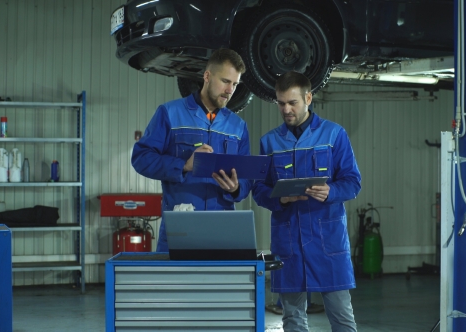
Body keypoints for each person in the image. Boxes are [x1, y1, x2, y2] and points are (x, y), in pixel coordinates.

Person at [252, 70, 361, 331]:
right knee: (292, 319)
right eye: (281, 103)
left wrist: (330, 192)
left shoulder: (334, 135)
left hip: (328, 242)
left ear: (308, 98)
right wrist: (281, 198)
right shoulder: (269, 142)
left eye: (292, 102)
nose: (286, 109)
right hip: (288, 244)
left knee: (342, 316)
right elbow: (258, 190)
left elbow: (353, 182)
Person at [131, 48, 252, 252]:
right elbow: (141, 158)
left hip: (222, 231)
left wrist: (236, 188)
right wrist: (183, 165)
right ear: (207, 76)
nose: (230, 90)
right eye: (225, 81)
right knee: (177, 285)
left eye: (235, 84)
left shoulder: (238, 127)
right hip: (180, 227)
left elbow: (247, 179)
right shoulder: (170, 113)